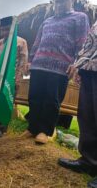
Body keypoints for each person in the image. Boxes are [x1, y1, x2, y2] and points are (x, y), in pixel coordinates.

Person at [23, 0, 89, 144]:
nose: (59, 4)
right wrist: (29, 61)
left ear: (71, 1)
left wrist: (76, 63)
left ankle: (44, 131)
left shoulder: (80, 18)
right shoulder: (47, 21)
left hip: (60, 67)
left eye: (62, 1)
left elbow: (83, 43)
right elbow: (37, 42)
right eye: (57, 2)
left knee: (52, 100)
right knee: (34, 97)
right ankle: (32, 128)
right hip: (38, 64)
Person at [58, 21, 97, 188]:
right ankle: (89, 161)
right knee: (87, 117)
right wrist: (79, 64)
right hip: (90, 68)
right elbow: (90, 43)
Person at [0, 16, 28, 137]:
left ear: (13, 29)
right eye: (2, 30)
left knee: (6, 100)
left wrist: (17, 80)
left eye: (7, 29)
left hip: (11, 79)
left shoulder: (21, 42)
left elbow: (22, 63)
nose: (4, 33)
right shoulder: (0, 42)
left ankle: (1, 128)